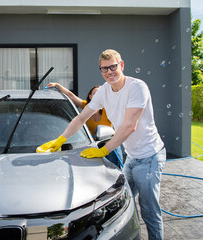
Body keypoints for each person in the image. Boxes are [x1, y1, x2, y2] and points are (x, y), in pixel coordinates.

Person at [38, 49, 166, 240]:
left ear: (121, 65)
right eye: (104, 69)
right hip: (132, 157)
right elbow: (81, 118)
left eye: (113, 67)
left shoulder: (137, 87)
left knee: (149, 210)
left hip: (149, 156)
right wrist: (61, 139)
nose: (109, 72)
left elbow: (130, 125)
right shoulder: (104, 91)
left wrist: (105, 149)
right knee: (124, 204)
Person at [46, 82, 123, 168]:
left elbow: (120, 127)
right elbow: (71, 96)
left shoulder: (108, 109)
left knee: (115, 170)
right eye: (95, 93)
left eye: (101, 94)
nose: (99, 95)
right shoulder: (87, 107)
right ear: (90, 96)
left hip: (110, 146)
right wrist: (57, 85)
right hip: (92, 146)